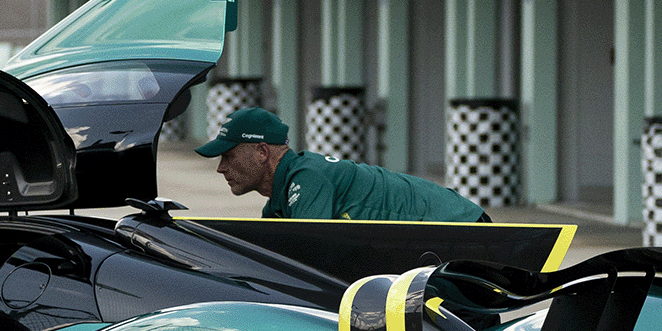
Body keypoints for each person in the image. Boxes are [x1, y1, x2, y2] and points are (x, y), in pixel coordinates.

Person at [196, 107, 488, 223]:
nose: (221, 168)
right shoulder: (279, 201)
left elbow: (308, 264)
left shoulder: (306, 178)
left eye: (228, 156)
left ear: (262, 151)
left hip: (461, 226)